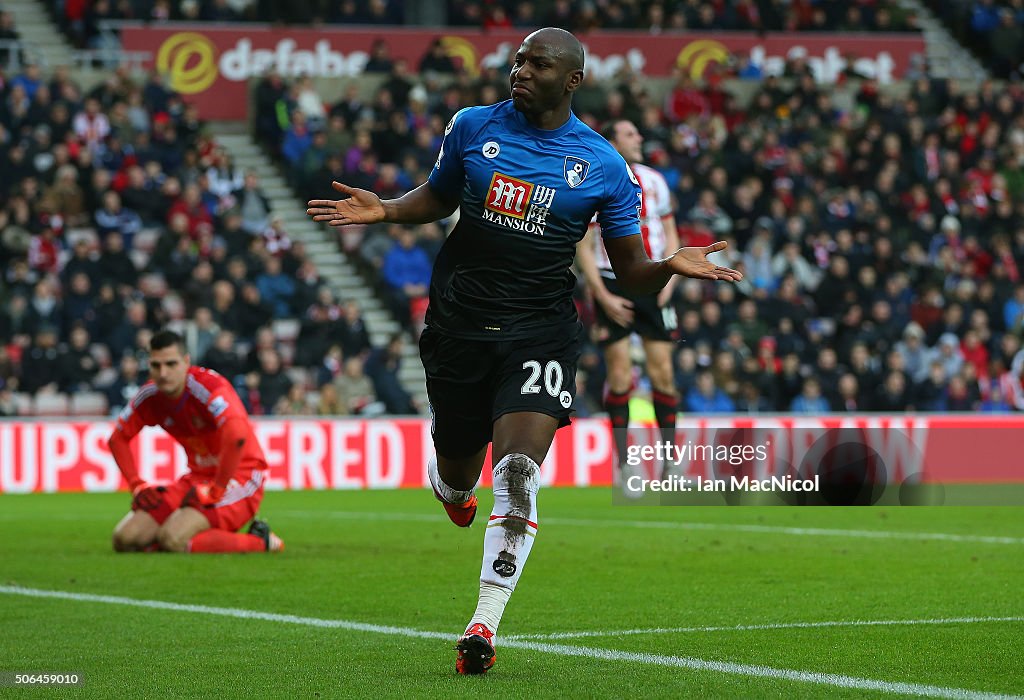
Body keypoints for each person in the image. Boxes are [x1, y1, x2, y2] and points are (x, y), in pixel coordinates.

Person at [306, 27, 740, 675]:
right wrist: (389, 212)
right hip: (458, 325)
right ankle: (451, 487)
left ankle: (485, 621)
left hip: (540, 330)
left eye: (537, 64)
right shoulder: (472, 126)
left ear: (571, 80)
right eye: (518, 60)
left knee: (515, 473)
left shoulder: (602, 166)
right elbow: (440, 196)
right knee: (458, 473)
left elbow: (628, 270)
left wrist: (670, 266)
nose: (520, 70)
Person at [107, 330, 284, 554]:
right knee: (125, 539)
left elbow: (237, 435)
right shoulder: (151, 396)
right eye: (156, 365)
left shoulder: (207, 387)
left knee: (173, 539)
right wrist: (136, 484)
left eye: (171, 364)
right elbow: (117, 439)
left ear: (186, 362)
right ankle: (177, 539)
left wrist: (218, 488)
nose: (163, 373)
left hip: (240, 477)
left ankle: (262, 541)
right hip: (196, 479)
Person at [575, 119, 681, 480]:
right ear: (613, 142)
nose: (639, 139)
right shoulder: (596, 180)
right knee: (619, 375)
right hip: (612, 281)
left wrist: (671, 276)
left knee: (663, 374)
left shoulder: (655, 181)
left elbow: (669, 232)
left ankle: (670, 463)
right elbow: (584, 246)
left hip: (653, 277)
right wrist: (601, 296)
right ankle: (623, 463)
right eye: (630, 134)